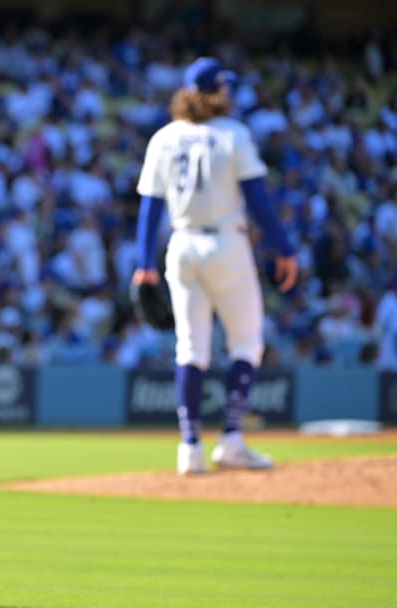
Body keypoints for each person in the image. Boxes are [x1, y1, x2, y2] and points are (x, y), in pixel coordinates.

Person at [131, 57, 299, 476]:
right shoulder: (233, 134)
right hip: (227, 243)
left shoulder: (164, 137)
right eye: (225, 87)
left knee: (191, 349)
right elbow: (259, 200)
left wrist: (143, 264)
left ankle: (189, 449)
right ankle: (232, 440)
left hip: (182, 245)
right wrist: (285, 250)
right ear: (216, 91)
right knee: (246, 344)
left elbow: (150, 209)